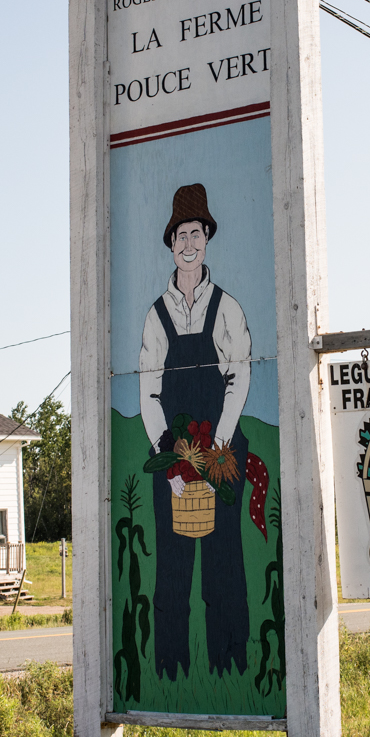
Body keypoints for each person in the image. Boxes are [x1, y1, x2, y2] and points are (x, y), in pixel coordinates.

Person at [138, 183, 253, 678]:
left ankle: (231, 659)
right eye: (181, 234)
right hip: (175, 457)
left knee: (225, 560)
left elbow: (240, 373)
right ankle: (171, 664)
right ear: (171, 243)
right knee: (172, 564)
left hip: (222, 451)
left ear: (207, 238)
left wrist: (219, 449)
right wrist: (172, 461)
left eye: (197, 233)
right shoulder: (156, 315)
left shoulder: (226, 307)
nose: (189, 243)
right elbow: (148, 391)